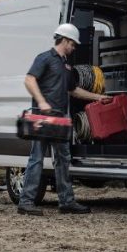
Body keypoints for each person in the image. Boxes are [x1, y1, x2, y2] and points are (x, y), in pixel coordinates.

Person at [18, 23, 111, 216]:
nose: (74, 47)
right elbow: (29, 79)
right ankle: (26, 202)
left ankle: (66, 201)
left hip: (60, 120)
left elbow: (73, 90)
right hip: (42, 118)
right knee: (36, 159)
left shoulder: (66, 65)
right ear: (65, 40)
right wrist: (42, 102)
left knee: (63, 159)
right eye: (73, 44)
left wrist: (99, 97)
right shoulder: (44, 58)